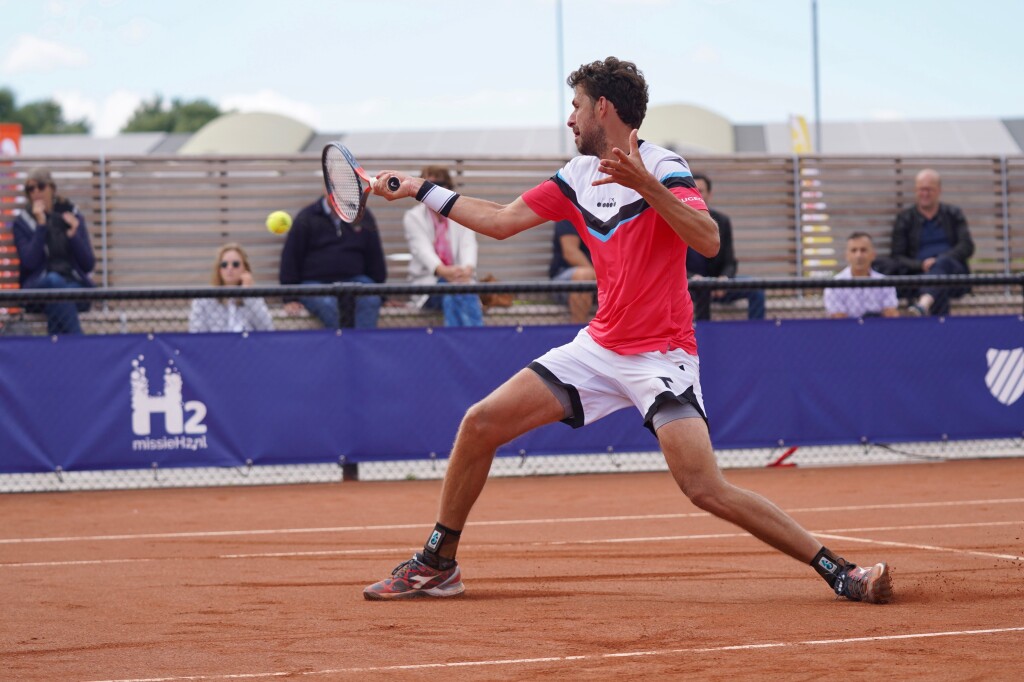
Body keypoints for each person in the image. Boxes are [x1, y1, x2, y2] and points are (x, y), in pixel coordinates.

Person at [363, 57, 892, 605]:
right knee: (480, 423)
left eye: (576, 106)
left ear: (603, 108)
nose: (570, 118)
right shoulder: (576, 175)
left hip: (662, 356)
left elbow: (708, 240)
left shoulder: (664, 166)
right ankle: (437, 564)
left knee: (703, 487)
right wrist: (419, 188)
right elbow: (500, 220)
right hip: (597, 348)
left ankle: (840, 571)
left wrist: (648, 186)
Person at [873, 168, 973, 316]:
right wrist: (921, 265)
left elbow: (967, 246)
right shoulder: (905, 219)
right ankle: (927, 304)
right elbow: (897, 256)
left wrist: (939, 261)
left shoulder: (953, 214)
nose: (925, 194)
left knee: (943, 263)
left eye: (929, 190)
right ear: (916, 190)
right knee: (940, 288)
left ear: (939, 190)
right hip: (919, 277)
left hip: (953, 276)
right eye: (921, 189)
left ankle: (923, 305)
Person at [279, 193, 386, 329]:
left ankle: (359, 340)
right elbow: (290, 259)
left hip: (356, 281)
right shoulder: (306, 217)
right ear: (325, 186)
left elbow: (375, 259)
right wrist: (290, 298)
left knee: (371, 299)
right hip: (315, 283)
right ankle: (347, 340)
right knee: (327, 304)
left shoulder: (363, 216)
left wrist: (383, 296)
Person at [10, 167, 95, 335]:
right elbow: (30, 262)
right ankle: (80, 344)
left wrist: (74, 236)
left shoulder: (71, 216)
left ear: (52, 188)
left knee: (59, 298)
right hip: (37, 290)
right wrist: (41, 226)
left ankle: (58, 348)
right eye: (31, 189)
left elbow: (88, 265)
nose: (36, 192)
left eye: (41, 186)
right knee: (54, 282)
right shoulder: (22, 223)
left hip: (72, 285)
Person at [403, 165, 484, 327]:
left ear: (448, 187)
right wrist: (444, 272)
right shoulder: (413, 217)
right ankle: (474, 338)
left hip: (460, 280)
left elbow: (468, 246)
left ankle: (459, 339)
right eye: (427, 185)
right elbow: (423, 251)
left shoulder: (461, 214)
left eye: (438, 185)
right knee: (454, 291)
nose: (432, 190)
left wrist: (467, 269)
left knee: (456, 291)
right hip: (430, 285)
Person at [686, 173, 765, 321]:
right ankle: (704, 333)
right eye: (692, 190)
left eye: (700, 191)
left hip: (717, 286)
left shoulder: (721, 221)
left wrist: (724, 279)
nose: (696, 195)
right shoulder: (677, 221)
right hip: (689, 287)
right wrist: (692, 279)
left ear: (710, 194)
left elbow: (730, 262)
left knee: (756, 288)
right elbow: (671, 264)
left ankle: (757, 333)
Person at [189, 243, 274, 333]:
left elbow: (267, 328)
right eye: (224, 264)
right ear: (219, 269)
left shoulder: (254, 297)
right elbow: (196, 332)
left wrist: (248, 293)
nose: (229, 268)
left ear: (245, 268)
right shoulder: (203, 299)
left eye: (235, 264)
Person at [825, 233, 898, 319]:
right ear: (846, 255)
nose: (858, 255)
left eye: (863, 250)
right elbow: (839, 319)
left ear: (873, 254)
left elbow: (891, 316)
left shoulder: (885, 283)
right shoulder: (834, 285)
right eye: (853, 250)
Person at [549, 219, 597, 323]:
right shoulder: (568, 215)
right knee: (584, 276)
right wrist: (601, 278)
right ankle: (578, 328)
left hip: (602, 282)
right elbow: (570, 252)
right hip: (565, 280)